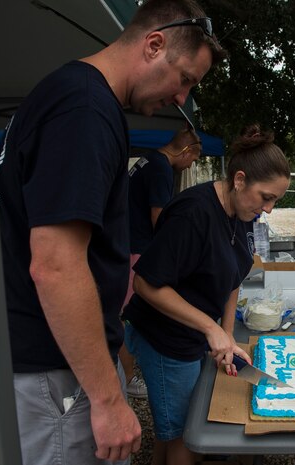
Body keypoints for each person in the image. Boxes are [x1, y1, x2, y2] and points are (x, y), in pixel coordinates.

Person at [0, 1, 225, 463]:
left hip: (55, 362)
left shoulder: (74, 96)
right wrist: (107, 399)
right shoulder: (84, 109)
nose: (181, 99)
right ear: (154, 44)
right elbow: (56, 264)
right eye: (185, 80)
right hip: (54, 369)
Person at [122, 125, 290, 465]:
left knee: (177, 427)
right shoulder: (192, 213)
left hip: (193, 335)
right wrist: (209, 328)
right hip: (166, 339)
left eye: (275, 201)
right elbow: (145, 284)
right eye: (267, 197)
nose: (269, 209)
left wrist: (227, 331)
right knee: (186, 434)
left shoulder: (240, 211)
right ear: (240, 179)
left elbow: (233, 276)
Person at [121, 127, 203, 398]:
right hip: (138, 248)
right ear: (186, 150)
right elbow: (160, 219)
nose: (190, 165)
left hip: (127, 242)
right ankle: (129, 379)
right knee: (130, 316)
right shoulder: (161, 168)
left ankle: (132, 372)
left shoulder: (147, 159)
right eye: (193, 159)